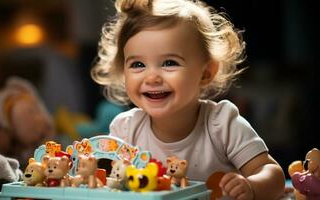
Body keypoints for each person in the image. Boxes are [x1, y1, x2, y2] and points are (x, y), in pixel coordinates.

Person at [91, 0, 285, 199]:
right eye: (138, 64)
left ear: (206, 73)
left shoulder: (221, 124)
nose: (152, 77)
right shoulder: (125, 130)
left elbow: (274, 176)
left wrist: (252, 187)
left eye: (169, 63)